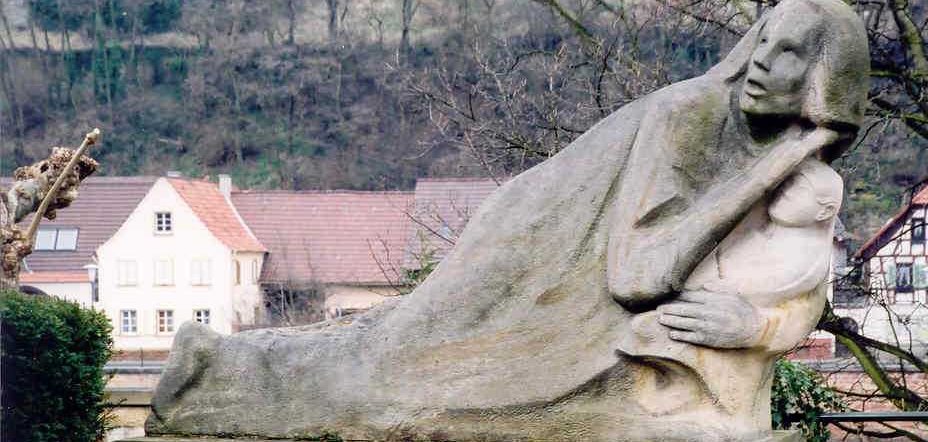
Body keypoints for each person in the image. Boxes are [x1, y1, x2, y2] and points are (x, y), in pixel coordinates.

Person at [147, 1, 869, 440]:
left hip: (582, 308)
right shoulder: (693, 116)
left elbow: (798, 282)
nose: (763, 63)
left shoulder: (803, 171)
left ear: (821, 76)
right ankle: (209, 369)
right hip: (533, 254)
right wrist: (768, 172)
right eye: (763, 43)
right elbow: (639, 272)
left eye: (790, 53)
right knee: (391, 374)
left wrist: (758, 328)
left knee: (394, 363)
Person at [618, 157, 843, 438]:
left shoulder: (805, 259)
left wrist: (758, 328)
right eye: (783, 184)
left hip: (723, 380)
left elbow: (802, 310)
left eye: (795, 189)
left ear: (823, 212)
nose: (782, 191)